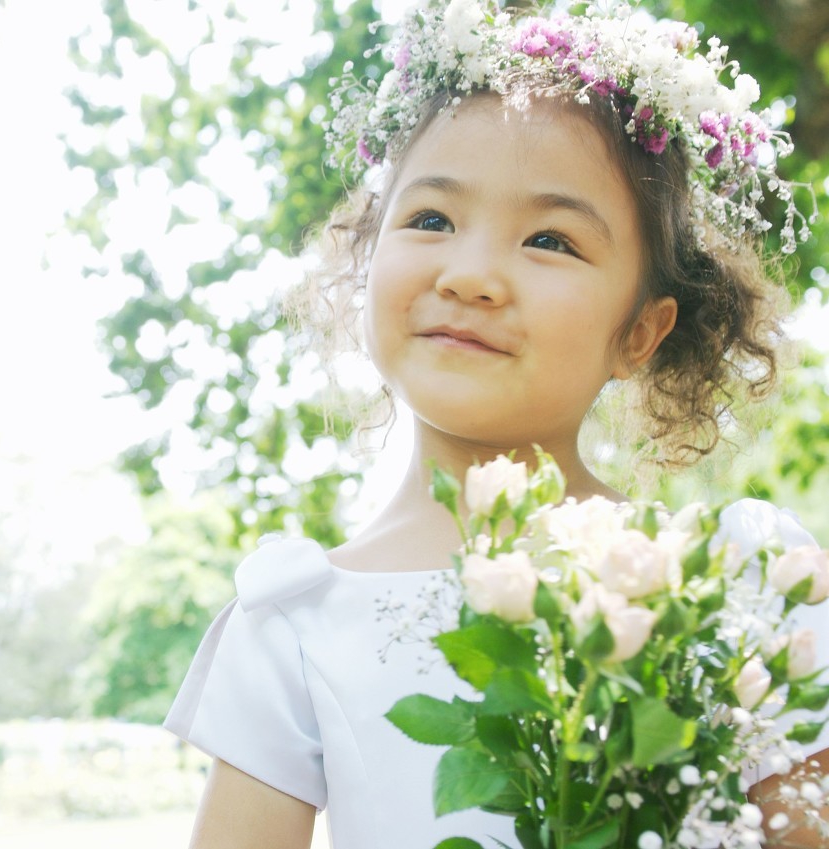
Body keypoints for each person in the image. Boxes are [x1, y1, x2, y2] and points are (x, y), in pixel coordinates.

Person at [162, 1, 828, 848]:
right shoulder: (292, 623)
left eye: (550, 239)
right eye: (432, 220)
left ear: (640, 331)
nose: (472, 274)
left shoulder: (741, 589)